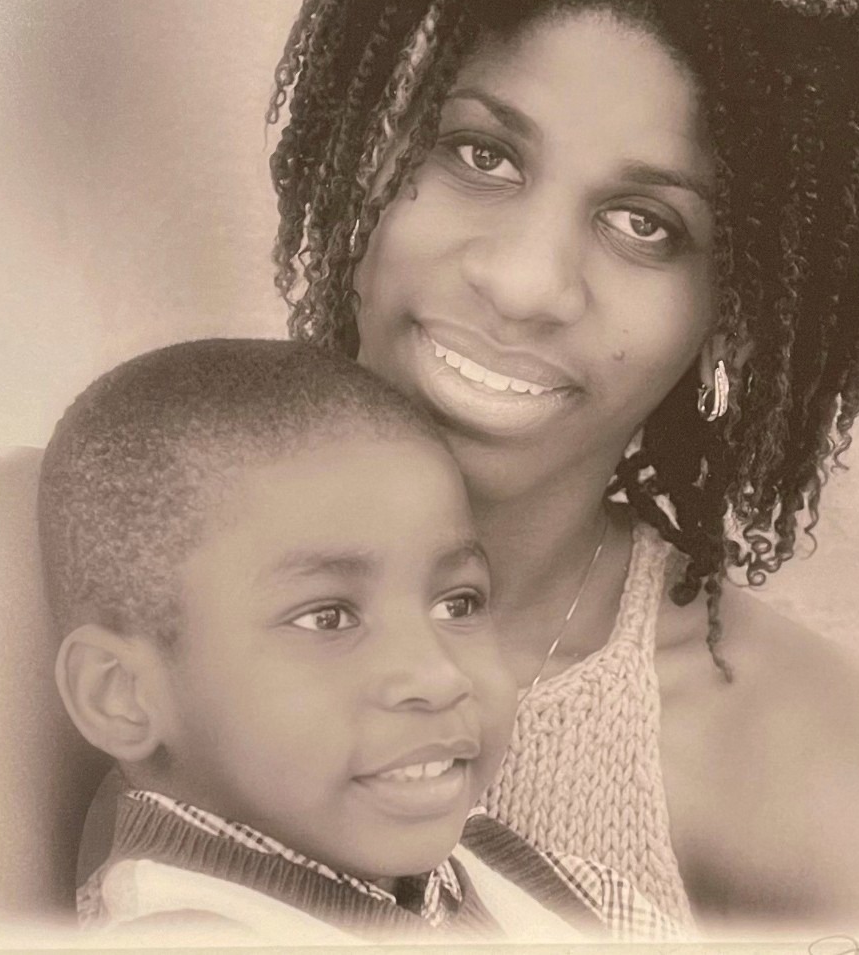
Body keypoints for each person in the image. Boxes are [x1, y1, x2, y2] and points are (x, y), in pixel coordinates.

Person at [265, 0, 859, 933]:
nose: (525, 281)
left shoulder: (832, 777)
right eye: (480, 153)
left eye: (645, 224)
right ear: (361, 146)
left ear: (735, 314)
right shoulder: (62, 570)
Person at [41, 338, 683, 941]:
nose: (439, 676)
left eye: (458, 603)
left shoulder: (567, 894)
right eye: (328, 618)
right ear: (121, 695)